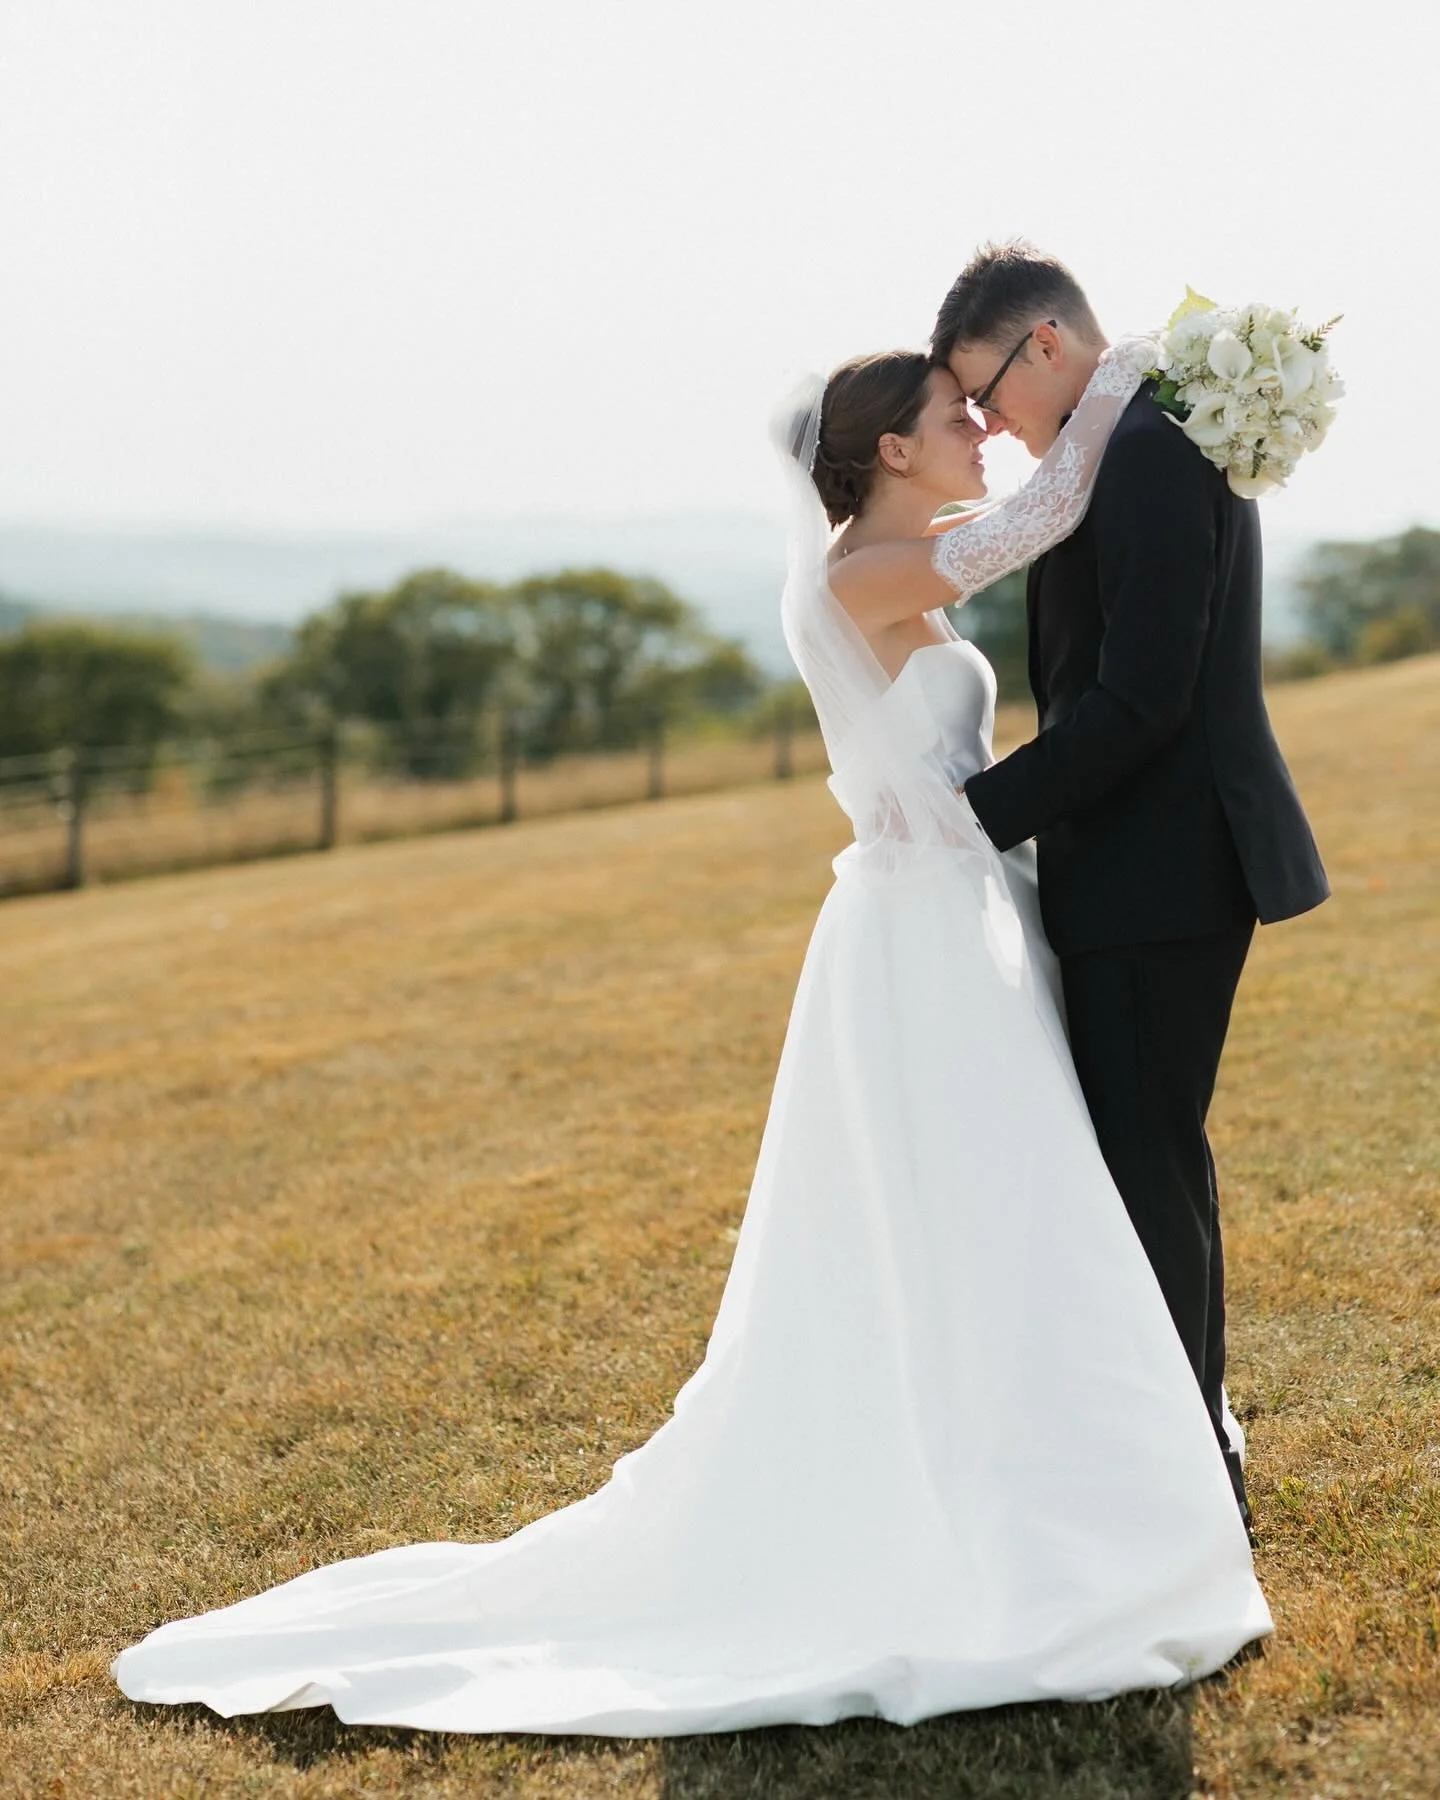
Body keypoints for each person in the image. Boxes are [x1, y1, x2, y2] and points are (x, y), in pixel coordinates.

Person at [112, 335, 1272, 1737]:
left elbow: (1021, 527)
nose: (981, 428)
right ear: (889, 451)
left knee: (1011, 1209)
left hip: (969, 915)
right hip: (919, 938)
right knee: (973, 1202)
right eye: (953, 413)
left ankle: (1065, 1460)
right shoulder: (861, 575)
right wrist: (1136, 381)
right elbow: (1042, 516)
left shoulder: (903, 546)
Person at [929, 243, 1331, 1532]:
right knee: (1153, 1154)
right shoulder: (1123, 439)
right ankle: (1188, 1439)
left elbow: (1143, 699)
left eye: (985, 390)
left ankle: (1190, 1477)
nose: (986, 422)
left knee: (1147, 1159)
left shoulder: (1152, 447)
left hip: (1168, 864)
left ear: (1043, 343)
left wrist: (971, 817)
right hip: (1138, 865)